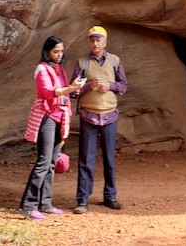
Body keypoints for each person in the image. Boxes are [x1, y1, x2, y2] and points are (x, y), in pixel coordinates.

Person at [19, 35, 85, 221]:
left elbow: (62, 93)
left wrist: (74, 90)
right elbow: (48, 93)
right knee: (43, 161)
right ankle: (28, 206)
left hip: (59, 117)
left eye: (61, 51)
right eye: (56, 51)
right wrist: (70, 89)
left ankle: (45, 203)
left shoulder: (60, 69)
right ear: (47, 51)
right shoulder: (42, 69)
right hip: (46, 118)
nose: (59, 54)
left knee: (52, 162)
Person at [71, 25, 128, 214]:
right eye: (92, 40)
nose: (95, 43)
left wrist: (110, 86)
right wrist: (89, 86)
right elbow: (73, 91)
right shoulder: (82, 63)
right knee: (86, 159)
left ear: (105, 41)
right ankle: (82, 200)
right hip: (89, 115)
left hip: (110, 115)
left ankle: (110, 196)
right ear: (89, 42)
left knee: (109, 157)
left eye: (99, 40)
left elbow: (123, 86)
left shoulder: (114, 61)